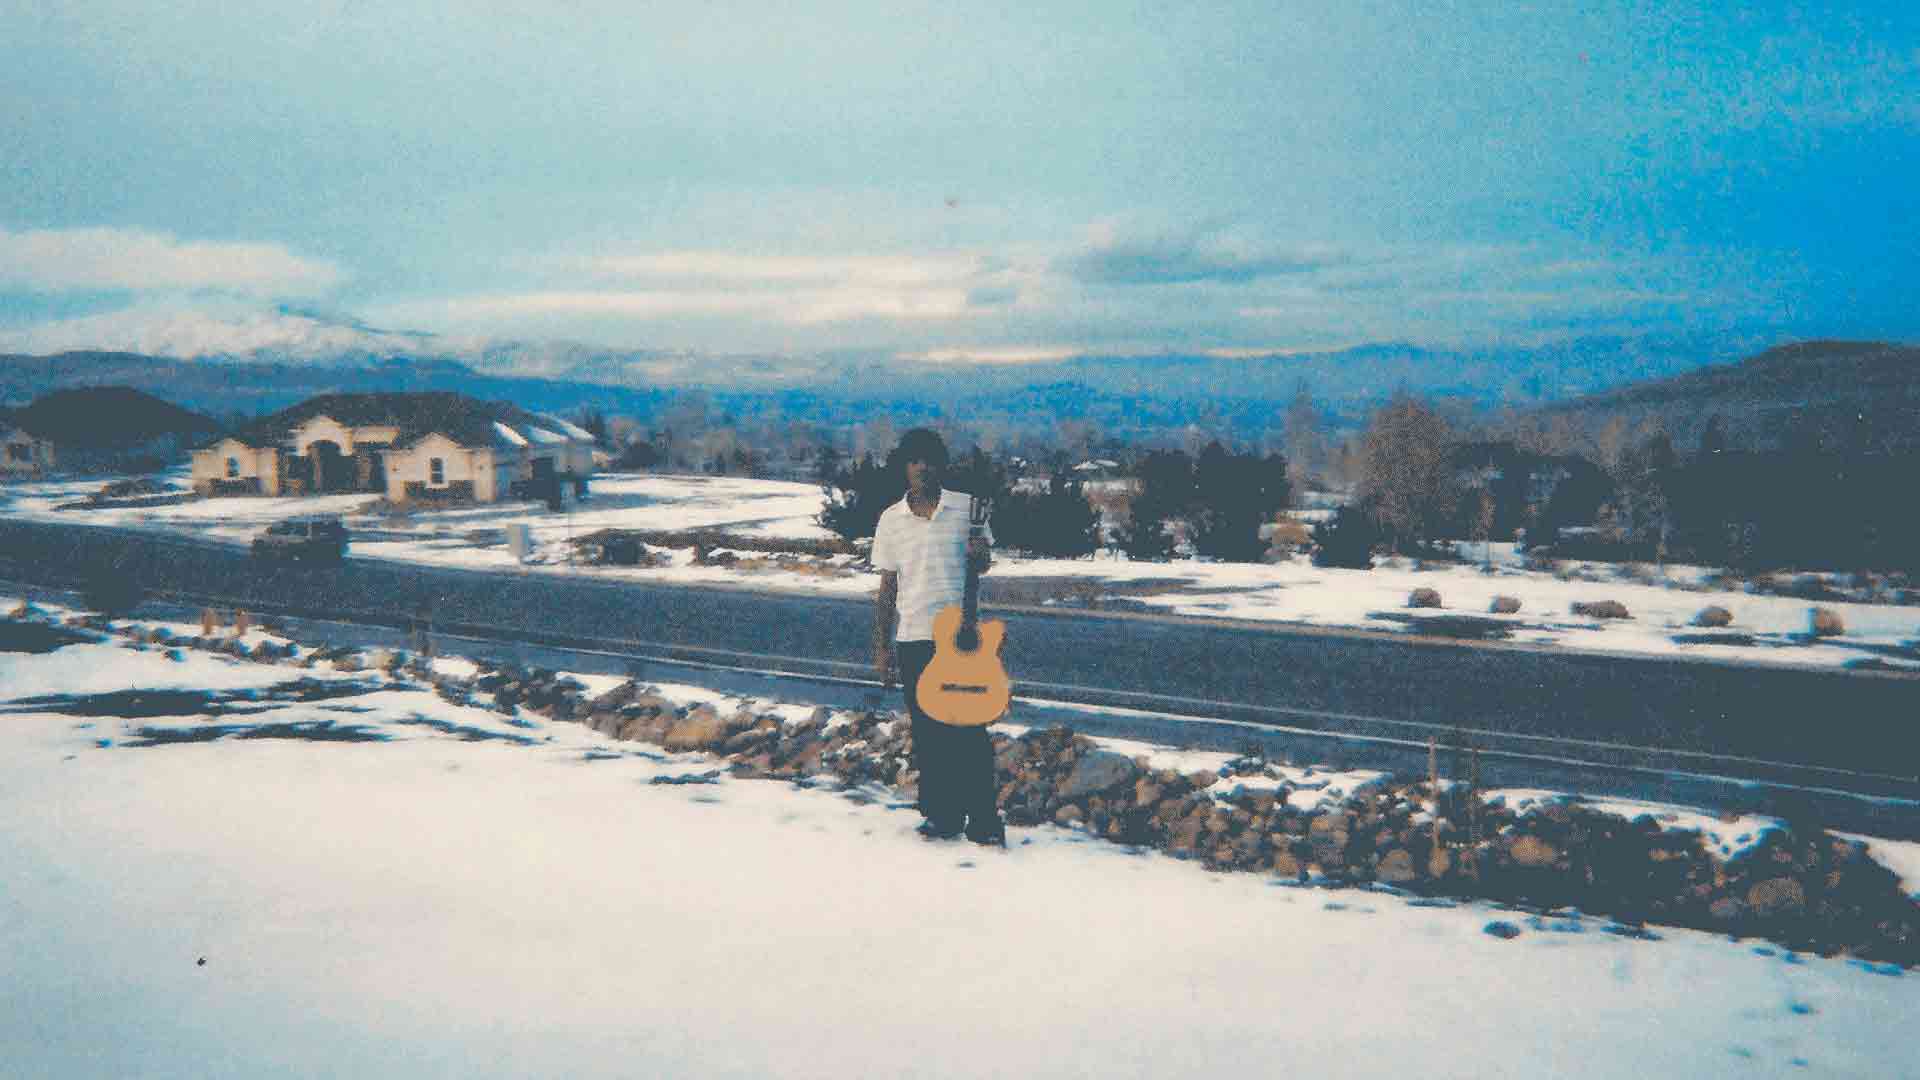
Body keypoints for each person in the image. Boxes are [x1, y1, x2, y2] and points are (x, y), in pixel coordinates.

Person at [871, 428, 1005, 845]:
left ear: (940, 465)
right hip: (913, 636)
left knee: (970, 730)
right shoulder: (891, 520)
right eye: (914, 460)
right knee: (929, 734)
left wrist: (980, 557)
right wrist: (882, 647)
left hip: (961, 639)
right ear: (904, 467)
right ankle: (943, 816)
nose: (921, 467)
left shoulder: (968, 510)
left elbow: (981, 566)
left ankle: (984, 819)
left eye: (929, 459)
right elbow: (888, 587)